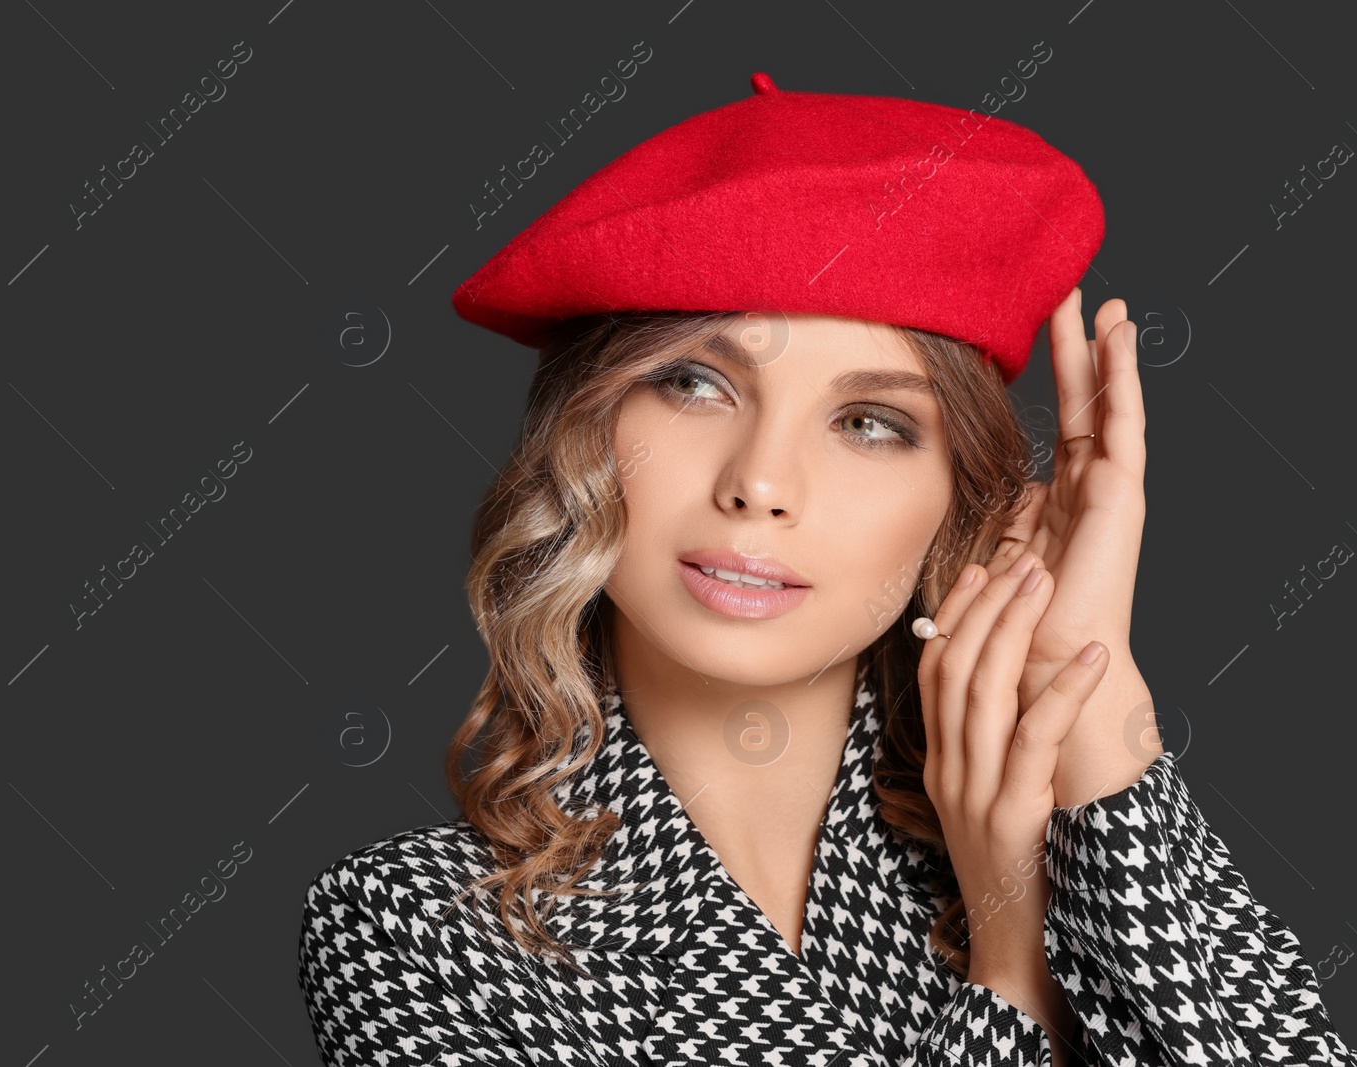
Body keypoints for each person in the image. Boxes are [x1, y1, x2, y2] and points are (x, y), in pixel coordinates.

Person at [296, 73, 1353, 1066]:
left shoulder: (1081, 839)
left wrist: (1089, 682)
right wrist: (1011, 979)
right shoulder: (413, 924)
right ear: (585, 428)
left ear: (963, 499)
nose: (761, 482)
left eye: (868, 421)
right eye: (695, 385)